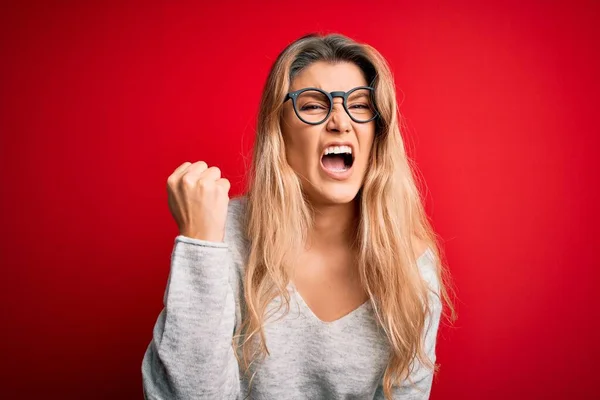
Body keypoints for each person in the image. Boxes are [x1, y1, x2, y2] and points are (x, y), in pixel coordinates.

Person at [141, 32, 456, 400]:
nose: (341, 121)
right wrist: (199, 247)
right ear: (279, 131)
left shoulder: (411, 265)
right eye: (312, 106)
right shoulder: (218, 239)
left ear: (377, 134)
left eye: (359, 104)